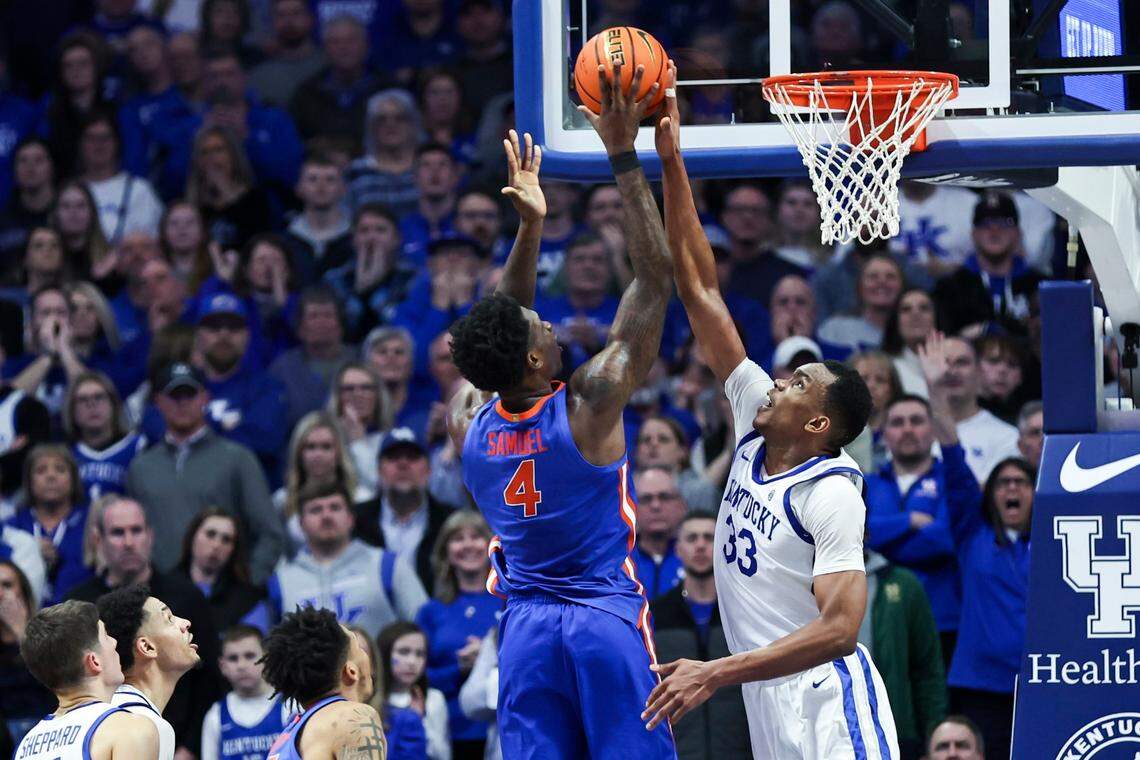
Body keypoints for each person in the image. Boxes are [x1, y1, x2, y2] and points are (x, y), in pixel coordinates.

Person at [643, 70, 898, 758]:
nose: (778, 384)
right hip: (765, 695)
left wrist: (717, 670)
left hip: (828, 697)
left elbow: (842, 628)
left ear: (817, 425)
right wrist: (671, 160)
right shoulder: (757, 417)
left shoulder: (831, 494)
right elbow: (699, 288)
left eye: (797, 383)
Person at [446, 70, 677, 758]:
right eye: (541, 329)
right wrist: (622, 154)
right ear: (537, 366)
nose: (549, 325)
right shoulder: (589, 401)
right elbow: (654, 277)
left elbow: (501, 328)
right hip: (601, 618)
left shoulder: (470, 426)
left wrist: (531, 226)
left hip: (524, 634)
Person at [920, 332, 1031, 760]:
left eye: (1021, 482)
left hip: (1041, 681)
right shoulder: (973, 533)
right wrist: (934, 389)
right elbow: (952, 454)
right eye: (1003, 483)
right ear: (991, 495)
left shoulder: (1057, 540)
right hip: (980, 687)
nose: (1011, 490)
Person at [68, 499, 223, 759]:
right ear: (98, 539)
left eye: (136, 530)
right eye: (118, 532)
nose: (128, 541)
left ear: (150, 535)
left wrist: (189, 747)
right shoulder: (80, 604)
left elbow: (209, 678)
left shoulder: (186, 595)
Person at [126, 362, 284, 583]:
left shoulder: (237, 458)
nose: (182, 403)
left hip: (223, 596)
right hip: (160, 597)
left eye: (189, 395)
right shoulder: (141, 467)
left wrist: (248, 585)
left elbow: (270, 533)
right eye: (174, 396)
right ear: (158, 402)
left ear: (205, 398)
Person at [864, 393, 963, 665]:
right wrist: (910, 521)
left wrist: (883, 539)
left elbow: (942, 541)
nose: (907, 429)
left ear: (932, 430)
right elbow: (857, 537)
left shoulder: (951, 481)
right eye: (897, 422)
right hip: (876, 616)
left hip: (941, 619)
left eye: (916, 421)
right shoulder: (866, 483)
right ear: (883, 434)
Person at [648, 512, 751, 759]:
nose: (701, 545)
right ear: (678, 549)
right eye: (692, 538)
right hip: (678, 751)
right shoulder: (654, 615)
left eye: (709, 537)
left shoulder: (746, 612)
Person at [268, 480, 428, 638]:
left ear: (351, 518)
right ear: (301, 523)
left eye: (335, 508)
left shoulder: (388, 565)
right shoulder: (282, 581)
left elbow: (425, 627)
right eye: (316, 510)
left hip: (376, 663)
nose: (326, 516)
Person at [15, 599, 159, 759]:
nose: (114, 642)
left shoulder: (24, 746)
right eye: (105, 636)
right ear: (94, 662)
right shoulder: (131, 729)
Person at [415, 511, 502, 758]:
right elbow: (416, 677)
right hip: (446, 733)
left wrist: (488, 659)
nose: (467, 545)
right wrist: (460, 669)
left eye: (476, 537)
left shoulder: (510, 603)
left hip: (501, 728)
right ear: (446, 552)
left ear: (491, 545)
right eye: (457, 538)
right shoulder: (431, 611)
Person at [96, 584, 202, 760]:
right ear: (147, 647)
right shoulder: (143, 725)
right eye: (168, 618)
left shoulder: (105, 712)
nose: (185, 623)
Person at [861, 549, 947, 760]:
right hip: (830, 728)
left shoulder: (904, 584)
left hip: (897, 729)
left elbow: (928, 669)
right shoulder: (804, 582)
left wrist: (931, 737)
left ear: (865, 531)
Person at [354, 427, 452, 591]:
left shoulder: (448, 521)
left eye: (412, 457)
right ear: (379, 470)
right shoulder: (355, 521)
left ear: (429, 469)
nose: (403, 463)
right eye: (393, 457)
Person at [4, 444, 92, 605]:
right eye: (41, 470)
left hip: (80, 615)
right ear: (29, 481)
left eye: (60, 469)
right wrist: (29, 549)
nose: (51, 476)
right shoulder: (11, 527)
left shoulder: (91, 522)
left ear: (73, 479)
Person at [277, 411, 366, 550]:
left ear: (339, 453)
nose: (318, 455)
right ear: (299, 453)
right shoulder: (282, 501)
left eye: (326, 447)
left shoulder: (361, 498)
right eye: (310, 447)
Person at [199, 625, 290, 760]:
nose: (241, 665)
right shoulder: (215, 715)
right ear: (222, 666)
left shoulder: (290, 706)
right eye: (233, 658)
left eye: (249, 656)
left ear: (267, 659)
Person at [938, 337, 1020, 485]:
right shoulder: (908, 428)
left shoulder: (1006, 437)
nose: (952, 371)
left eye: (961, 362)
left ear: (979, 371)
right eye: (944, 362)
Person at [174, 508, 265, 634]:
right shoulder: (165, 590)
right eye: (210, 534)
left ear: (234, 549)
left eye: (226, 539)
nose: (217, 545)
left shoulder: (248, 600)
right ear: (192, 536)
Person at [66, 371, 146, 504]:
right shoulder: (65, 454)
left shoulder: (139, 447)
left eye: (99, 397)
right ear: (71, 410)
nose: (91, 404)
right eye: (82, 400)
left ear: (113, 404)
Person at [0, 560, 54, 745]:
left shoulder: (47, 633)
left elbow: (56, 683)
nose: (0, 594)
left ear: (22, 591)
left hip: (45, 728)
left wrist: (21, 632)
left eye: (7, 585)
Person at [379, 621, 450, 759]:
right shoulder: (372, 697)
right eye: (403, 652)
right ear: (385, 654)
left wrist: (420, 721)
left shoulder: (434, 699)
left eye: (420, 654)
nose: (412, 661)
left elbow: (443, 755)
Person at [631, 467, 687, 600]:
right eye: (646, 499)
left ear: (682, 506)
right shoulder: (619, 562)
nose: (655, 505)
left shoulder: (701, 556)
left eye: (664, 497)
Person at [1015, 400, 1043, 471]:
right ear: (1021, 446)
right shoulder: (1012, 480)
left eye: (1049, 433)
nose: (1043, 440)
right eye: (1035, 433)